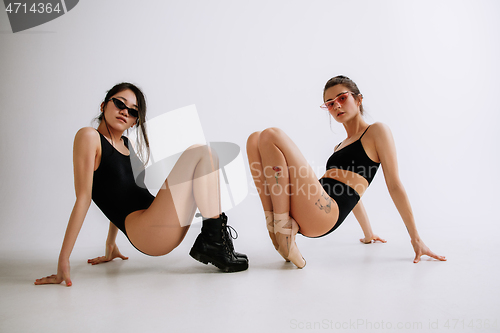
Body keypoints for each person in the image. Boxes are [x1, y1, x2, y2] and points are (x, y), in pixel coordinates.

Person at [35, 82, 248, 286]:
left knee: (207, 159)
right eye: (120, 103)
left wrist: (110, 246)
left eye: (133, 111)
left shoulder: (126, 144)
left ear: (135, 121)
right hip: (147, 232)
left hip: (159, 224)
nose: (125, 112)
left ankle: (215, 240)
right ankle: (214, 242)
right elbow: (84, 197)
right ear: (103, 105)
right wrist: (63, 260)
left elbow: (120, 193)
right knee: (201, 152)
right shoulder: (89, 137)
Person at [246, 75, 446, 268]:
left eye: (342, 98)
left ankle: (283, 233)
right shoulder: (339, 147)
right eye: (330, 103)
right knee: (254, 139)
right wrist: (368, 234)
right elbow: (353, 195)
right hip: (309, 204)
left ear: (358, 99)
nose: (337, 106)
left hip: (325, 213)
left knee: (271, 135)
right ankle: (275, 227)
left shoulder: (376, 131)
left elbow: (394, 186)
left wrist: (416, 239)